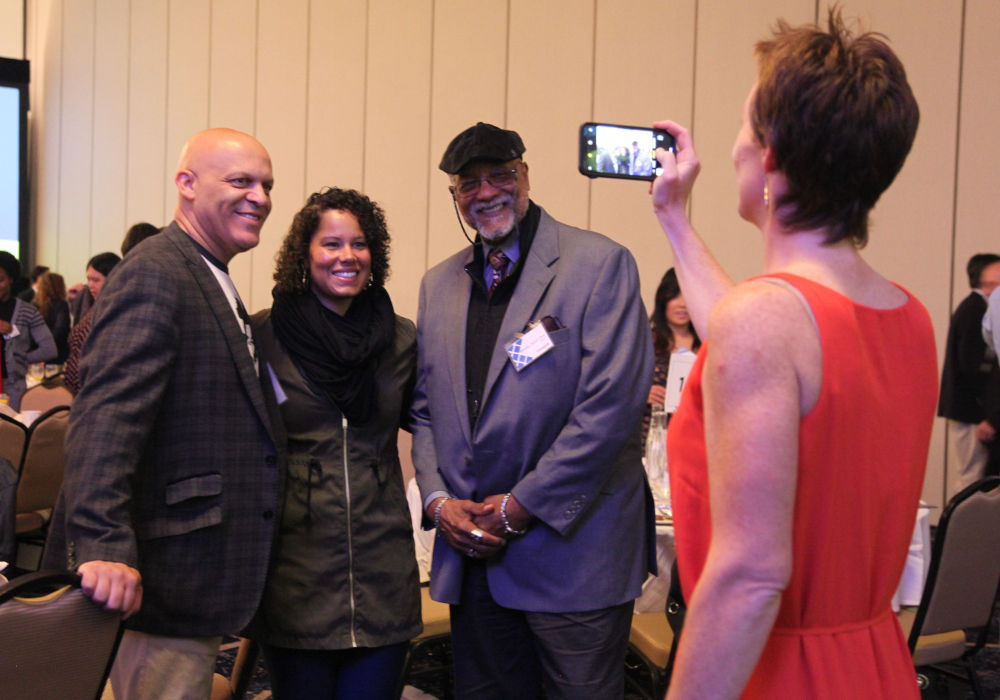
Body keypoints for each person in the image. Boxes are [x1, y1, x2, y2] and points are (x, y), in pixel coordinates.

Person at [651, 11, 936, 698]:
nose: (732, 149)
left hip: (780, 674)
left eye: (746, 128)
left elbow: (749, 578)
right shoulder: (908, 315)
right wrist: (673, 217)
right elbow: (762, 337)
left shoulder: (767, 322)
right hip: (873, 663)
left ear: (771, 153)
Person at [411, 121, 655, 699]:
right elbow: (424, 411)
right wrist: (439, 500)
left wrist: (522, 506)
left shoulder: (600, 265)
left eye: (500, 175)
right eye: (468, 184)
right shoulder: (437, 285)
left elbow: (610, 410)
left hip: (574, 556)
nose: (486, 191)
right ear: (455, 198)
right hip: (475, 558)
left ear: (525, 175)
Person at [43, 127, 283, 699]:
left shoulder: (208, 273)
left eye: (267, 185)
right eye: (241, 181)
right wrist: (102, 544)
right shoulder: (157, 272)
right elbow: (105, 421)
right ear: (186, 185)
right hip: (159, 579)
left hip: (195, 577)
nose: (261, 197)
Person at [248, 187, 420, 698]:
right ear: (305, 254)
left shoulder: (402, 339)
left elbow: (435, 428)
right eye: (332, 244)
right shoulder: (264, 337)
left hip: (382, 563)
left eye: (360, 244)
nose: (347, 255)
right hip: (295, 571)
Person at [938, 253, 1000, 493]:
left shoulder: (979, 309)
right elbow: (972, 366)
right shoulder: (974, 310)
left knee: (975, 477)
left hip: (974, 409)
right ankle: (961, 530)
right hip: (971, 411)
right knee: (971, 479)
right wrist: (989, 413)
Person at [641, 267, 700, 445]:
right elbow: (618, 386)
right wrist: (643, 394)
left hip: (694, 437)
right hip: (651, 437)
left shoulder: (709, 345)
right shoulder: (645, 341)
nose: (682, 304)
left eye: (688, 296)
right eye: (675, 295)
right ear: (663, 298)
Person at [0, 252, 57, 410]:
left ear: (11, 279)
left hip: (13, 389)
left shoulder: (27, 312)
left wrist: (21, 357)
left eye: (0, 280)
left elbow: (50, 349)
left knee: (12, 432)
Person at [63, 252, 121, 394]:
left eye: (96, 280)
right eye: (88, 279)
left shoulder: (114, 310)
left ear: (112, 279)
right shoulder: (97, 306)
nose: (90, 285)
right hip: (80, 387)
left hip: (95, 388)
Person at [34, 271, 71, 363]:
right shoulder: (61, 305)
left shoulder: (33, 305)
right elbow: (61, 330)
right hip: (56, 354)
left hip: (36, 352)